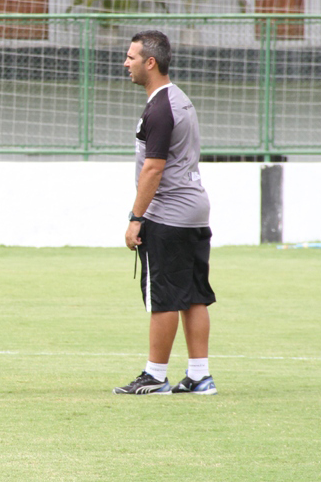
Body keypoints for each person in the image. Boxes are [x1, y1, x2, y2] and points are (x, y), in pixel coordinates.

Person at [115, 30, 217, 395]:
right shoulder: (179, 99)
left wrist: (135, 218)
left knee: (164, 297)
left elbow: (153, 169)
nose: (125, 63)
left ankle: (155, 375)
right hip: (195, 212)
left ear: (150, 62)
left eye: (131, 57)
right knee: (194, 295)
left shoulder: (159, 107)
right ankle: (199, 376)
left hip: (169, 215)